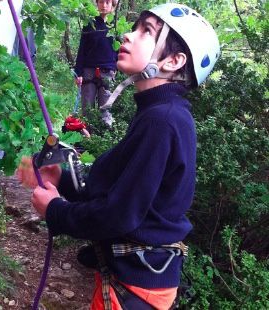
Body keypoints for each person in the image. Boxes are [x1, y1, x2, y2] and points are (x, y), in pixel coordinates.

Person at [16, 3, 220, 309]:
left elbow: (119, 214)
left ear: (174, 60)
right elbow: (129, 195)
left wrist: (56, 211)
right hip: (138, 281)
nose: (127, 34)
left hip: (135, 289)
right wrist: (64, 180)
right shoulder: (159, 114)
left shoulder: (161, 121)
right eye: (135, 27)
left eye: (146, 32)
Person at [74, 0, 118, 127]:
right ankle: (85, 138)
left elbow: (119, 49)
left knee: (106, 107)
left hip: (108, 70)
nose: (104, 6)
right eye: (101, 2)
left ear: (112, 5)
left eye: (107, 2)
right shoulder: (89, 24)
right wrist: (79, 72)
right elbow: (82, 49)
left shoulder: (115, 26)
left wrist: (116, 67)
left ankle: (104, 136)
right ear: (97, 4)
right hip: (89, 70)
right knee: (87, 107)